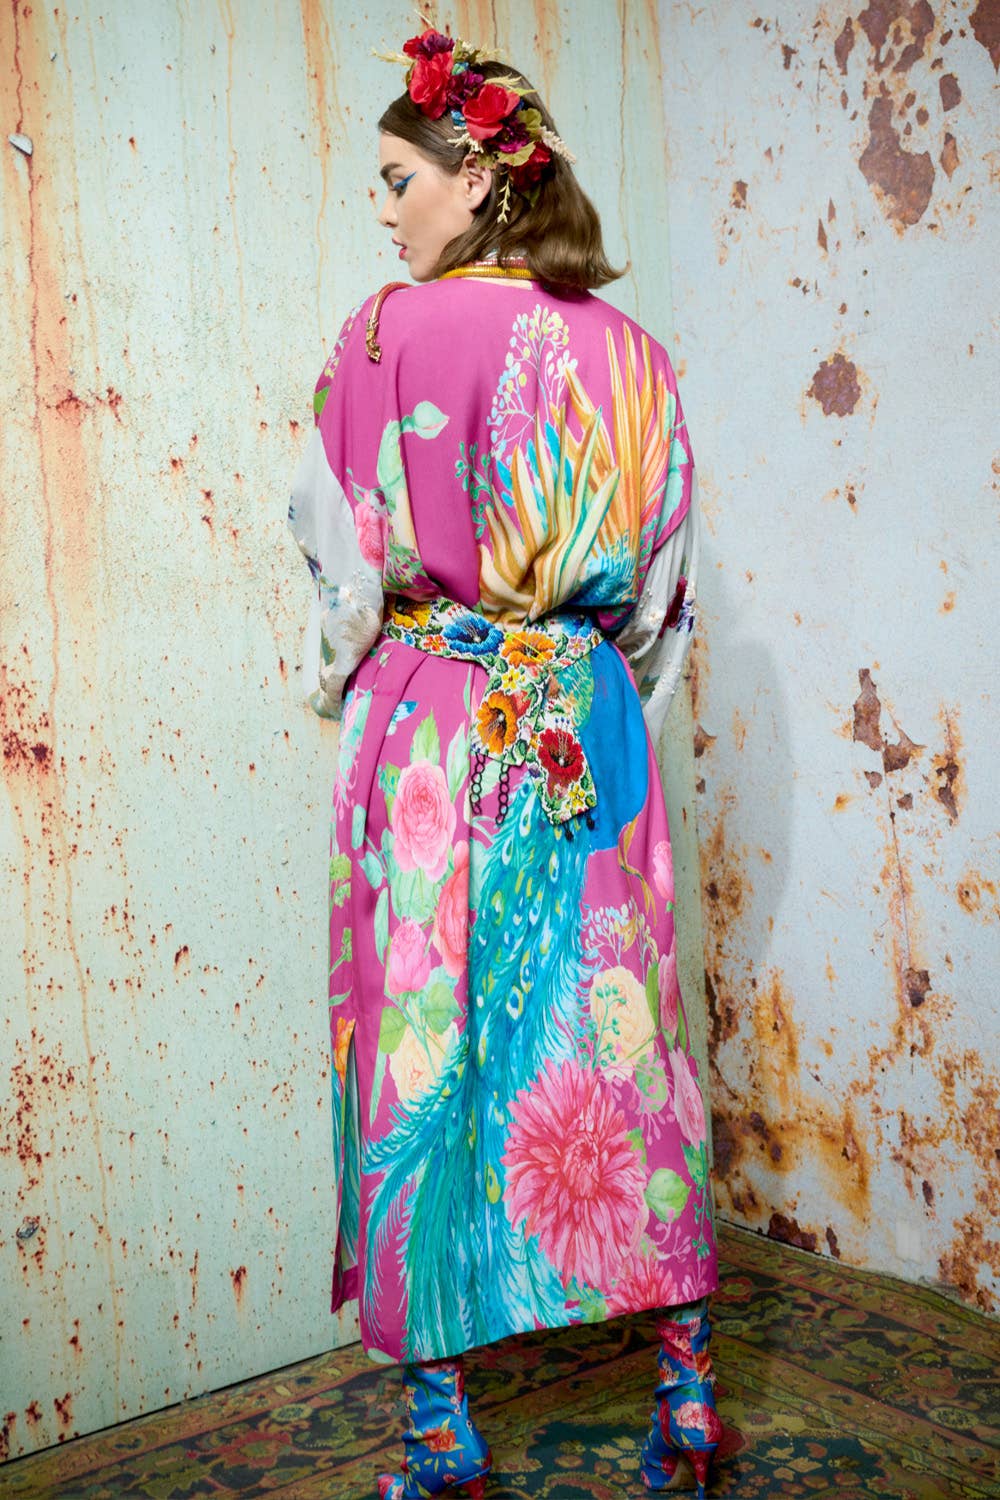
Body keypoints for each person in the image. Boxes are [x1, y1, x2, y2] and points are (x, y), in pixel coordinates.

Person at [288, 26, 721, 1499]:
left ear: (478, 174)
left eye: (400, 177)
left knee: (425, 1050)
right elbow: (661, 601)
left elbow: (346, 574)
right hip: (587, 730)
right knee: (620, 1036)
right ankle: (688, 1392)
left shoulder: (381, 337)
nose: (383, 207)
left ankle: (441, 1434)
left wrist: (335, 683)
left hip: (435, 730)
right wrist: (595, 690)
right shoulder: (641, 360)